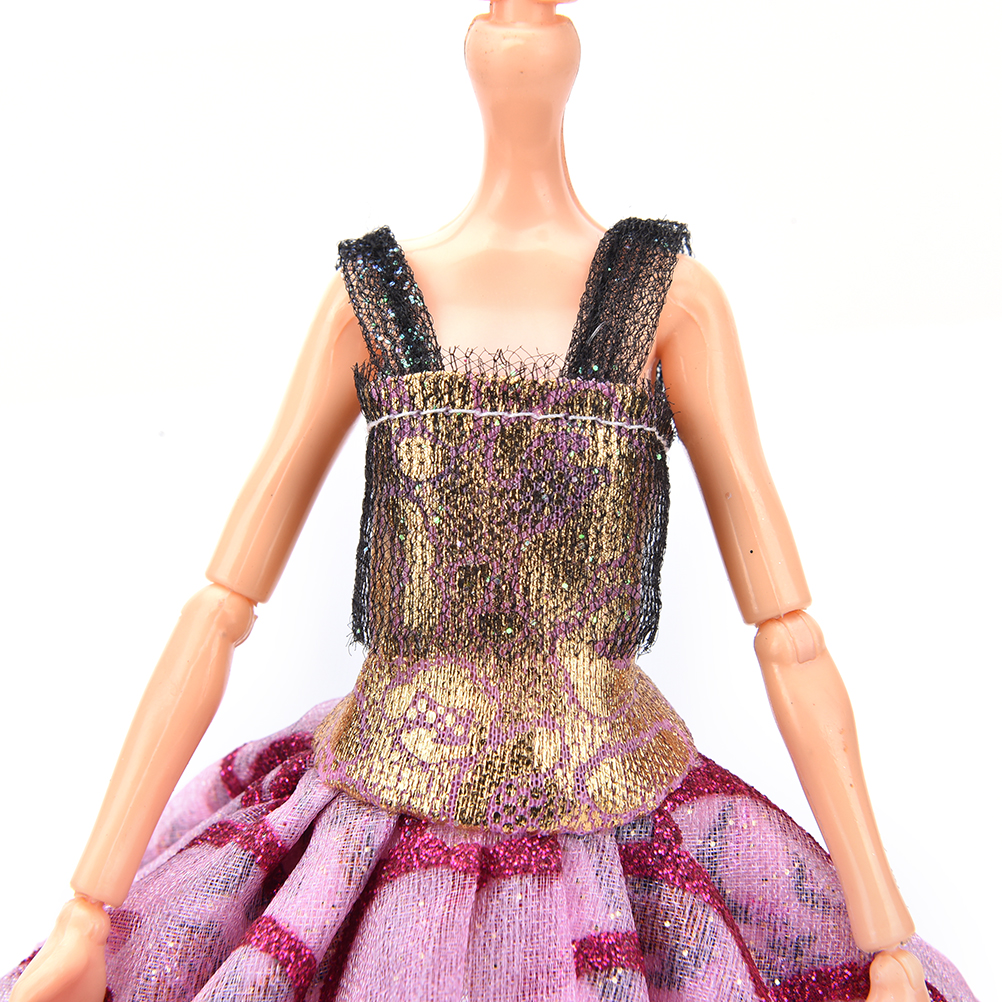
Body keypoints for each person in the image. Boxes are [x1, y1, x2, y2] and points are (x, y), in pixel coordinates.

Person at [0, 1, 987, 1000]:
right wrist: (87, 909)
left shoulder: (672, 302)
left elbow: (786, 630)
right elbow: (222, 605)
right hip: (382, 792)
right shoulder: (371, 304)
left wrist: (885, 940)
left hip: (611, 795)